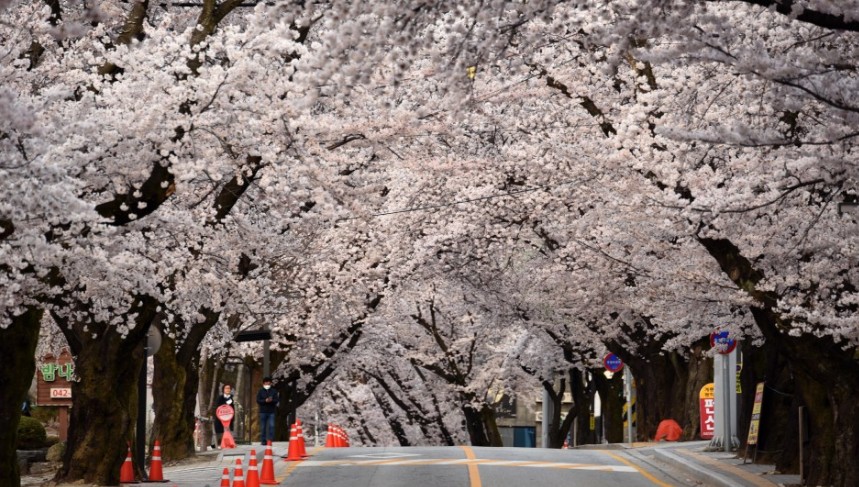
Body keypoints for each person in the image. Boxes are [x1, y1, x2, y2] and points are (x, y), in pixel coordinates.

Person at [256, 376, 279, 445]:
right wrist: (265, 401)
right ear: (263, 384)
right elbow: (258, 400)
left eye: (269, 384)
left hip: (271, 411)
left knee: (272, 426)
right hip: (263, 411)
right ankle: (263, 441)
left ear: (271, 384)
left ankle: (270, 440)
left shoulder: (274, 391)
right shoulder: (260, 391)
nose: (267, 385)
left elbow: (277, 400)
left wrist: (271, 400)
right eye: (266, 384)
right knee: (263, 427)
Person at [213, 384, 236, 448]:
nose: (228, 390)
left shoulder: (231, 397)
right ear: (223, 390)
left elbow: (232, 408)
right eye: (226, 388)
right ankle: (215, 444)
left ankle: (229, 443)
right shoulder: (220, 397)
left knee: (228, 431)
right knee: (219, 432)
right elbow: (217, 406)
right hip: (220, 417)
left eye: (229, 388)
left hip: (229, 417)